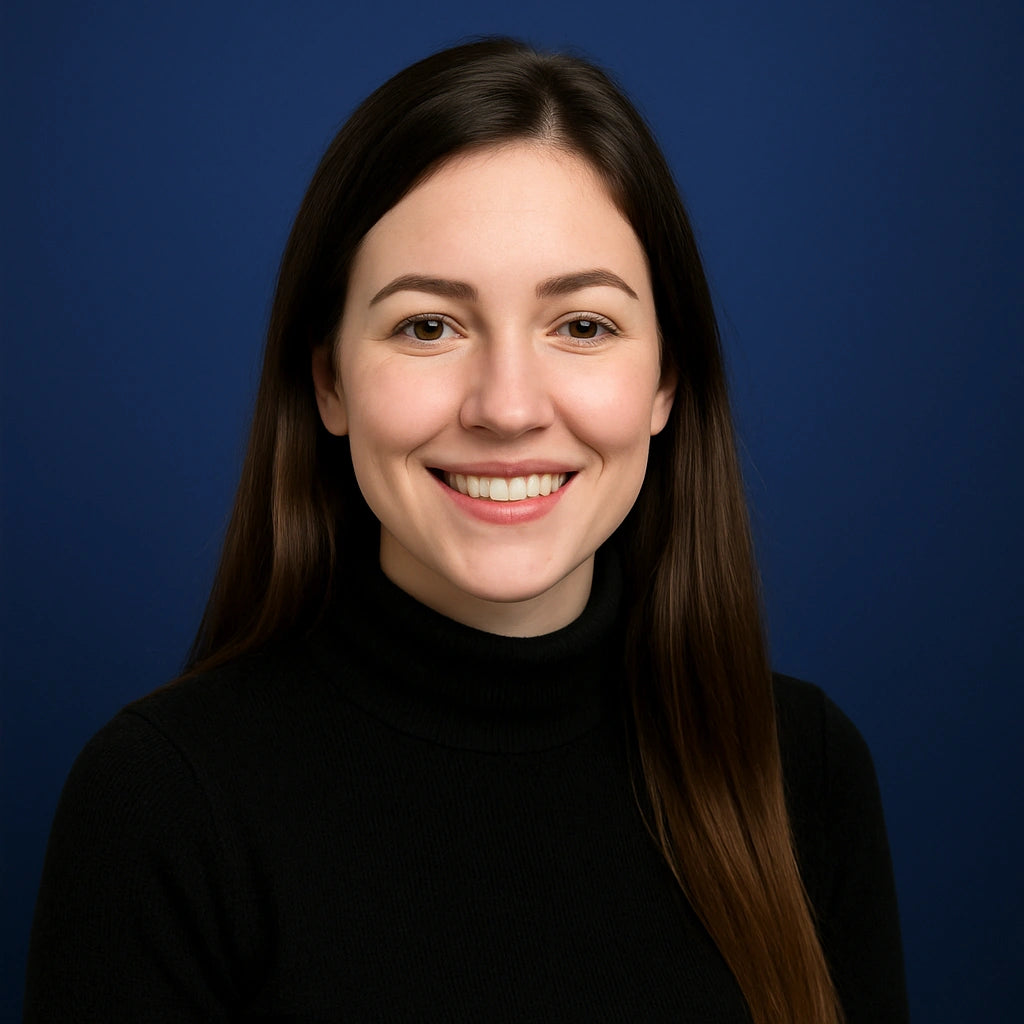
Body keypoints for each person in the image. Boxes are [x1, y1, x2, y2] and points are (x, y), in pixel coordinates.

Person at [25, 38, 908, 1023]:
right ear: (329, 383)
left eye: (581, 326)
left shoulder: (804, 768)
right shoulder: (164, 801)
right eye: (427, 326)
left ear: (666, 381)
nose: (507, 407)